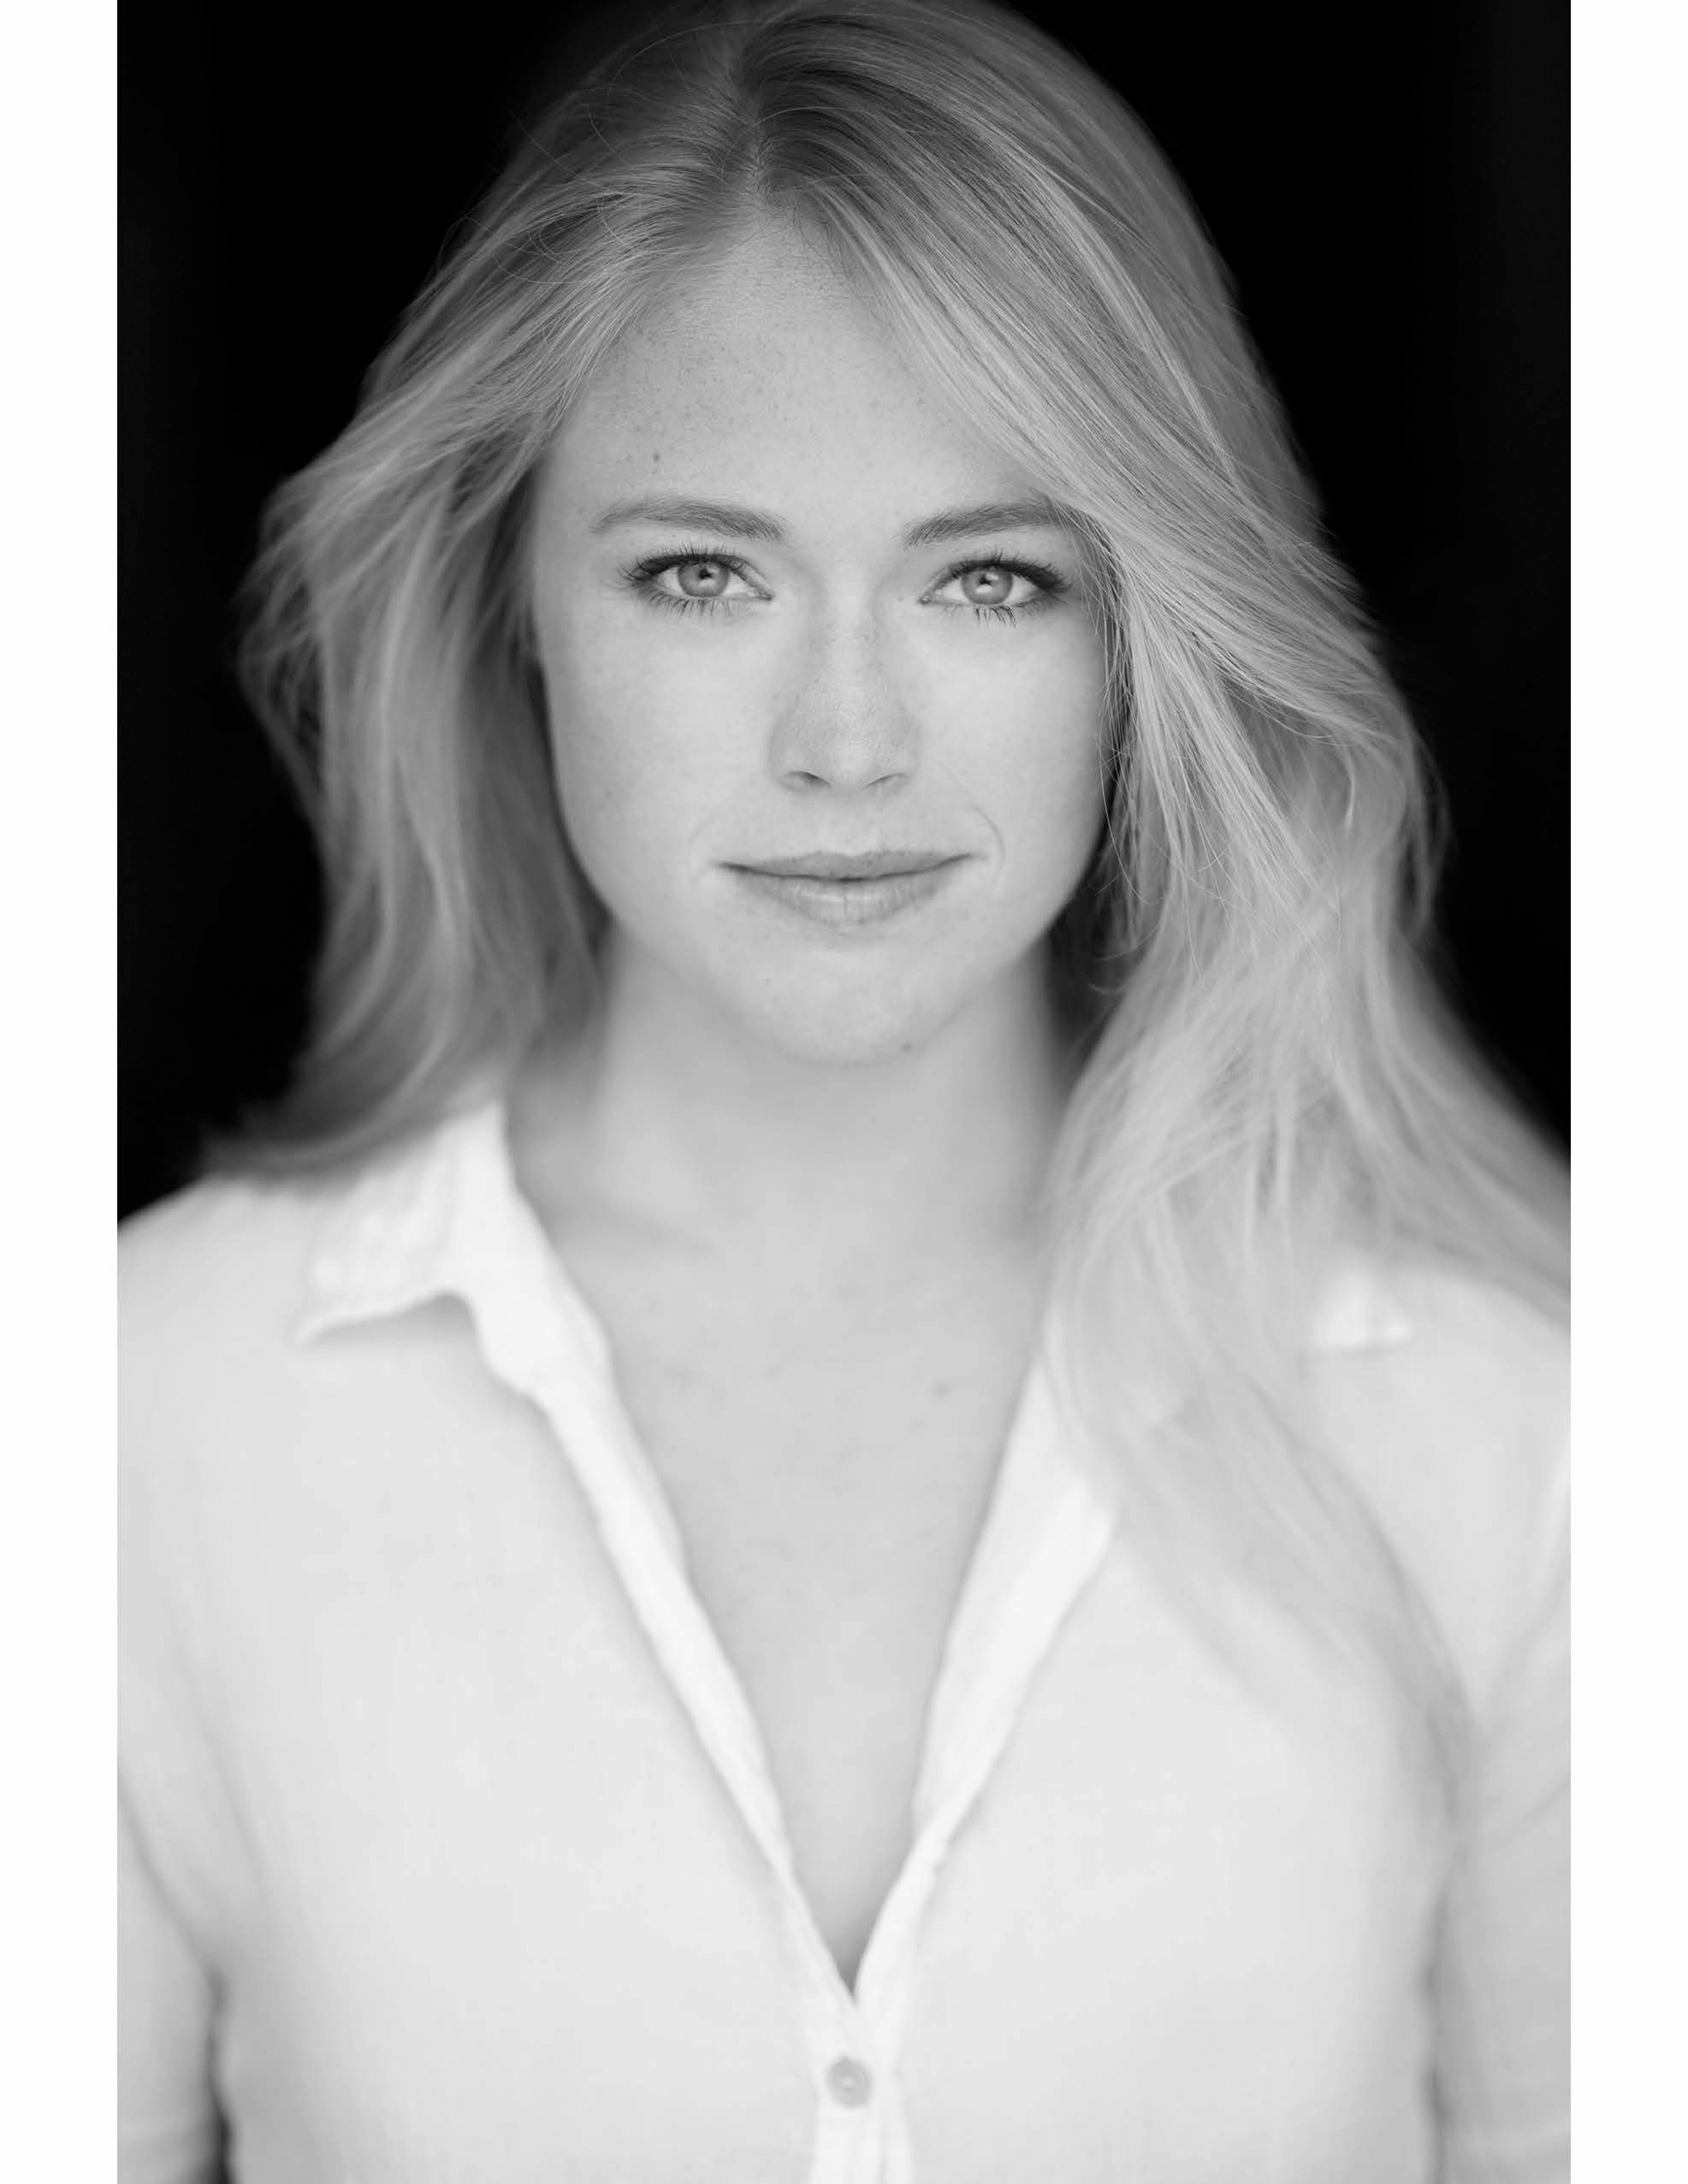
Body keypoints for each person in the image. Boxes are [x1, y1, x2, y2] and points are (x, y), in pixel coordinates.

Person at [118, 1, 1569, 2178]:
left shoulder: (1506, 1413)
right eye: (702, 574)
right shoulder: (144, 1410)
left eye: (991, 577)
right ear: (515, 600)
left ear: (1144, 636)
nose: (848, 742)